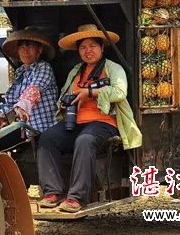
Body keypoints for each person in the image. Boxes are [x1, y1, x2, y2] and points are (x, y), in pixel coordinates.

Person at [37, 24, 142, 213]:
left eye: (93, 46)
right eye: (83, 47)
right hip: (75, 122)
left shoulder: (113, 68)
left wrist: (90, 93)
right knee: (46, 138)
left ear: (102, 48)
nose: (88, 51)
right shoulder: (76, 71)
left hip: (104, 122)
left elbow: (119, 92)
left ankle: (76, 198)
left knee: (85, 140)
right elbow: (64, 94)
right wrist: (63, 103)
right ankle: (53, 192)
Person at [0, 27, 58, 132]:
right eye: (22, 47)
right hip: (23, 128)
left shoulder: (43, 67)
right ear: (18, 51)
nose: (25, 51)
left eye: (30, 47)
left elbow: (34, 89)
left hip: (43, 129)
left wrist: (21, 107)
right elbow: (11, 102)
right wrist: (2, 116)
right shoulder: (20, 72)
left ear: (39, 50)